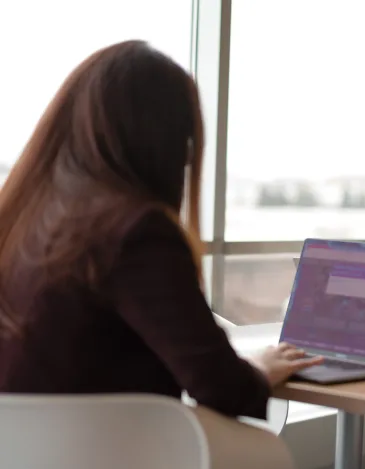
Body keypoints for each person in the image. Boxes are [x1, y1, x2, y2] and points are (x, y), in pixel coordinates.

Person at [0, 41, 322, 420]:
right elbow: (223, 389)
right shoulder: (136, 233)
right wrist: (256, 372)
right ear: (168, 143)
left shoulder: (25, 222)